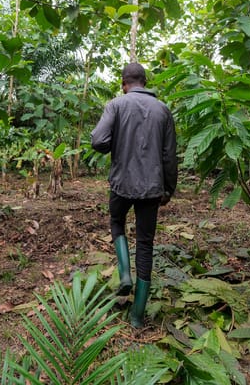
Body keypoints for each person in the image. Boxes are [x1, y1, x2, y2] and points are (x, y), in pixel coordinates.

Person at [91, 62, 178, 328]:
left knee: (117, 222)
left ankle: (124, 274)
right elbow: (169, 156)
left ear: (123, 83)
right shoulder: (163, 110)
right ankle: (138, 317)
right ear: (145, 81)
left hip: (121, 185)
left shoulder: (116, 105)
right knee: (145, 244)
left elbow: (98, 140)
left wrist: (116, 142)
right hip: (152, 188)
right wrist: (168, 189)